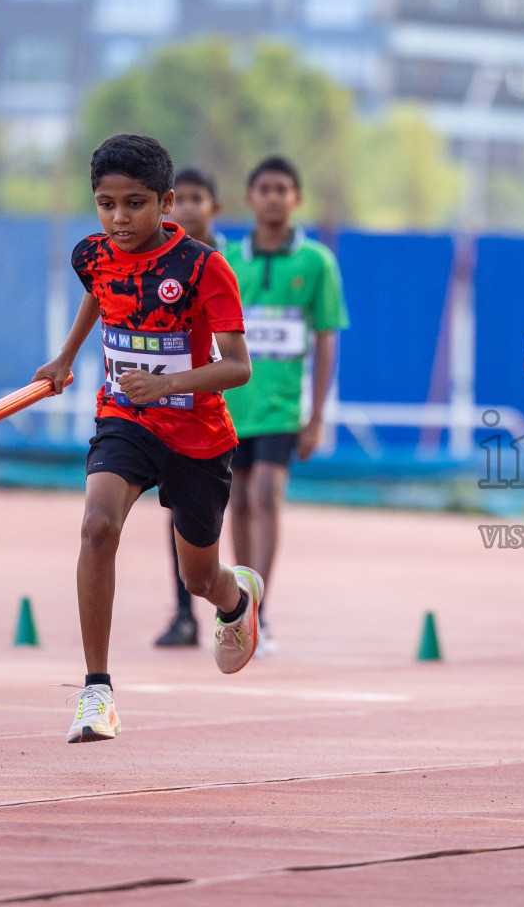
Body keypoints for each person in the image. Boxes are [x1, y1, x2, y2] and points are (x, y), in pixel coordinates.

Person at [34, 134, 261, 743]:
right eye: (106, 204)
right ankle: (96, 692)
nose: (118, 218)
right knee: (97, 525)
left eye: (134, 204)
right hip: (124, 420)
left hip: (197, 435)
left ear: (165, 204)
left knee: (197, 580)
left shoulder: (203, 268)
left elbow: (239, 366)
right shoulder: (95, 254)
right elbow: (99, 295)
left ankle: (236, 602)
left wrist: (169, 384)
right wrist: (64, 358)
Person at [221, 156, 349, 655]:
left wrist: (315, 417)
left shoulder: (316, 262)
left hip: (281, 407)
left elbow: (326, 340)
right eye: (264, 188)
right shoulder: (228, 259)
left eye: (283, 189)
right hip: (231, 405)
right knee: (236, 499)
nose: (273, 197)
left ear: (296, 199)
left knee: (266, 493)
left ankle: (261, 607)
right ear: (249, 197)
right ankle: (238, 603)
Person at [154, 167, 224, 648]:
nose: (189, 208)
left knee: (234, 510)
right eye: (184, 199)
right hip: (167, 407)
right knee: (175, 512)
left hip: (218, 407)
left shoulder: (222, 264)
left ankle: (242, 599)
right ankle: (184, 615)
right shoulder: (147, 263)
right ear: (168, 204)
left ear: (213, 207)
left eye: (200, 198)